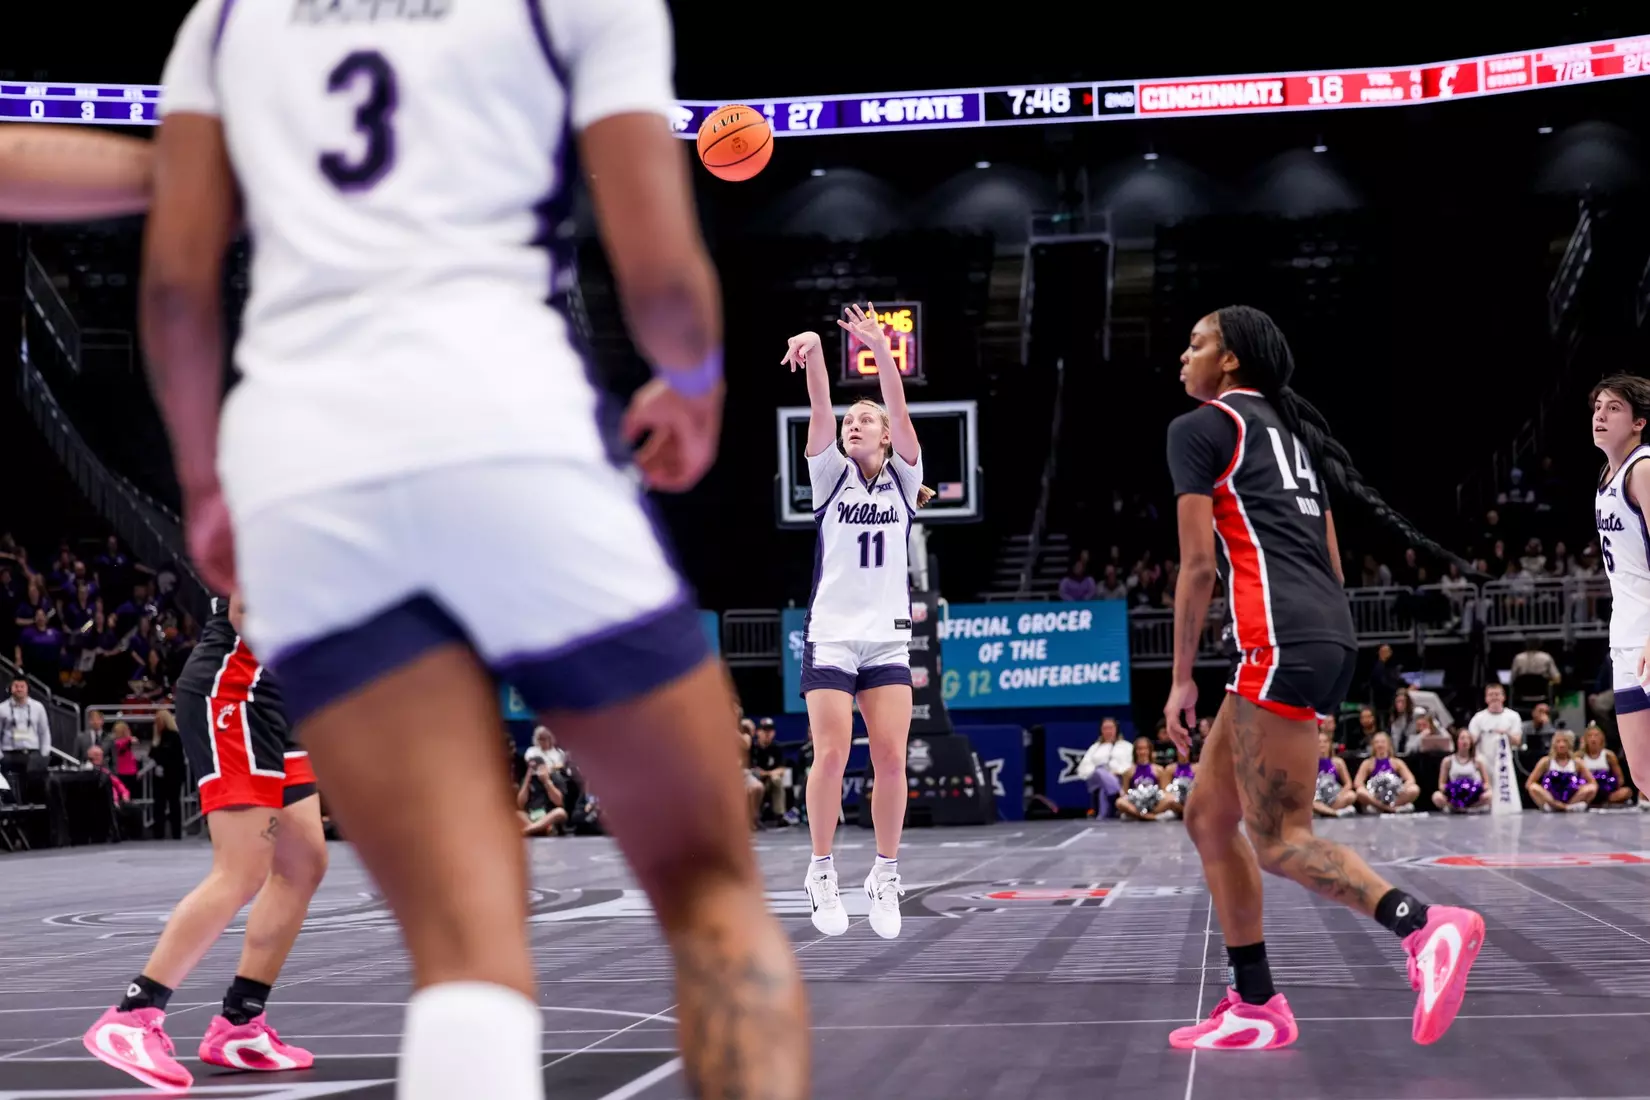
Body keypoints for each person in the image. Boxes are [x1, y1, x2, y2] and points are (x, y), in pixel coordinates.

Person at [138, 3, 808, 1098]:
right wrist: (692, 385)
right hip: (508, 428)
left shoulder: (228, 18)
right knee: (710, 887)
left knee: (461, 941)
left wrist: (210, 480)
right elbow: (661, 270)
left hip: (313, 463)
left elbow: (174, 281)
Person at [1162, 305, 1483, 1052]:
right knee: (1210, 816)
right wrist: (1320, 657)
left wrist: (1181, 678)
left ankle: (1424, 926)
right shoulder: (1293, 436)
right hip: (1319, 632)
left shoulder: (1202, 428)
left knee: (1280, 840)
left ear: (1231, 360)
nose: (1184, 357)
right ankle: (1256, 1003)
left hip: (1280, 638)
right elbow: (1330, 559)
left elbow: (1199, 567)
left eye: (1197, 343)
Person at [83, 595, 327, 1090]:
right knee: (242, 869)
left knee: (303, 863)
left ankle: (239, 1024)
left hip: (279, 696)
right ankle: (131, 1017)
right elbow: (248, 609)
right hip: (237, 688)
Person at [783, 306, 933, 941]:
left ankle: (885, 872)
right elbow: (819, 408)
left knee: (893, 757)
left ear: (886, 436)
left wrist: (880, 351)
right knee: (835, 751)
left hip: (886, 635)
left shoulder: (904, 479)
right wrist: (817, 354)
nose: (855, 424)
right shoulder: (829, 477)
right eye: (852, 420)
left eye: (865, 419)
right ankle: (821, 870)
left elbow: (900, 412)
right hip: (833, 633)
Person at [1589, 374, 1650, 818]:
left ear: (1639, 422)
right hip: (1625, 636)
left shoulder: (1643, 470)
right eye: (1597, 407)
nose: (1600, 415)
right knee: (1644, 774)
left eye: (1613, 408)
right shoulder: (1607, 475)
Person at [1467, 684, 1524, 813]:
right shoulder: (1478, 718)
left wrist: (1505, 734)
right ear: (1486, 698)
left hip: (1504, 762)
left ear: (1503, 697)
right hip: (1484, 760)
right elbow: (1470, 741)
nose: (1494, 697)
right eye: (1491, 695)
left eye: (1497, 694)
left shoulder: (1513, 716)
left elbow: (1517, 741)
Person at [1527, 729, 1597, 812]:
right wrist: (1550, 800)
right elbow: (1529, 783)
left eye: (1565, 741)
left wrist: (1580, 788)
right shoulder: (1546, 761)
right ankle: (1555, 806)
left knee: (1592, 788)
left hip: (1572, 797)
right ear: (1554, 745)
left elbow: (1593, 783)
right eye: (1558, 742)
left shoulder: (1577, 762)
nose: (1562, 745)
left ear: (1570, 745)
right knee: (1533, 787)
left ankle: (1567, 807)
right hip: (1551, 799)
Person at [1352, 733, 1420, 814]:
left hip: (1394, 795)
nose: (1380, 745)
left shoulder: (1396, 762)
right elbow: (1357, 782)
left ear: (1388, 745)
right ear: (1373, 745)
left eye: (1383, 742)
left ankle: (1387, 807)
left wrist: (1401, 789)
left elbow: (1410, 779)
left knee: (1414, 789)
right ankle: (1388, 808)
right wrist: (1368, 791)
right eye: (1377, 742)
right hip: (1376, 796)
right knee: (1360, 792)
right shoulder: (1367, 763)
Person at [1432, 730, 1490, 814]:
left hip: (1473, 796)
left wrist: (1476, 789)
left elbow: (1487, 783)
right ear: (1456, 741)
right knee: (1436, 796)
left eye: (1468, 739)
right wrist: (1453, 788)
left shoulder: (1477, 761)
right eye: (1462, 738)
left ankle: (1469, 807)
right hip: (1454, 796)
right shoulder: (1448, 761)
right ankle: (1456, 807)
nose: (1465, 741)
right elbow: (1441, 784)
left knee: (1489, 795)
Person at [1578, 724, 1632, 806]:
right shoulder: (1579, 756)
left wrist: (1611, 787)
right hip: (1588, 791)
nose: (1593, 739)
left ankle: (1605, 801)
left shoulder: (1609, 755)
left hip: (1607, 792)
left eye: (1596, 735)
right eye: (1590, 736)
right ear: (1585, 739)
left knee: (1626, 791)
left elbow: (1620, 778)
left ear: (1601, 738)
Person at [1311, 730, 1356, 818]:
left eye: (1325, 742)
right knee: (1311, 803)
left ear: (1330, 744)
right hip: (1317, 797)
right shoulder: (1310, 763)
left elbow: (1348, 783)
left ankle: (1323, 811)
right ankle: (1336, 813)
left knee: (1351, 795)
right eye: (1319, 742)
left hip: (1334, 797)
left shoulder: (1338, 762)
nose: (1322, 744)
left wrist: (1341, 794)